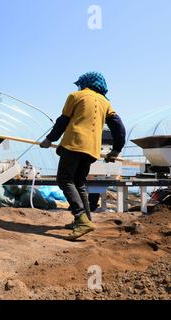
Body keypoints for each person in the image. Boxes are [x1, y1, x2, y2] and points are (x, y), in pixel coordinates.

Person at [40, 72, 126, 240]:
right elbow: (119, 127)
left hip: (74, 145)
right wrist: (116, 149)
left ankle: (81, 218)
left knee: (64, 179)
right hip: (91, 150)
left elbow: (62, 121)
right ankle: (86, 219)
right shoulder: (105, 103)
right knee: (78, 182)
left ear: (85, 83)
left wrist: (49, 139)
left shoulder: (75, 96)